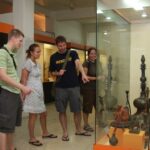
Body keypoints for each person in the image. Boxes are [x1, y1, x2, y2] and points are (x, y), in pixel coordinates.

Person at [49, 35, 90, 141]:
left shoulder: (72, 53)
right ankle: (65, 132)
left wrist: (83, 74)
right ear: (56, 46)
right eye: (59, 46)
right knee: (62, 111)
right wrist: (58, 73)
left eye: (63, 45)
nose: (62, 47)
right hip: (60, 88)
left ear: (66, 44)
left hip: (74, 87)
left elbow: (78, 63)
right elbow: (51, 72)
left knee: (77, 110)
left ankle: (78, 129)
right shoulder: (53, 57)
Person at [0, 29, 32, 150]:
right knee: (4, 127)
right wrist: (23, 87)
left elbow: (13, 76)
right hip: (7, 94)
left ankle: (11, 147)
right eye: (20, 40)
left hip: (14, 94)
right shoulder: (2, 53)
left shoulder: (12, 54)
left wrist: (19, 94)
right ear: (13, 38)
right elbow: (2, 75)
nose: (21, 43)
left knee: (11, 125)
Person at [20, 44, 57, 146]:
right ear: (31, 52)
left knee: (43, 113)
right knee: (33, 115)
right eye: (37, 51)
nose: (39, 53)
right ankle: (32, 138)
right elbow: (23, 79)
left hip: (39, 92)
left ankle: (45, 132)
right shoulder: (28, 63)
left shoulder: (37, 63)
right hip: (31, 93)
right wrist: (22, 94)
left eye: (40, 51)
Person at [81, 47, 105, 132]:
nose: (93, 55)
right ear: (88, 54)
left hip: (97, 88)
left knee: (99, 105)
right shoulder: (86, 63)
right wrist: (96, 78)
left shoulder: (98, 63)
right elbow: (85, 77)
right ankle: (86, 124)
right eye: (91, 53)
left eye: (95, 53)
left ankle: (100, 121)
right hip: (88, 88)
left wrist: (102, 77)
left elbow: (101, 73)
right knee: (87, 107)